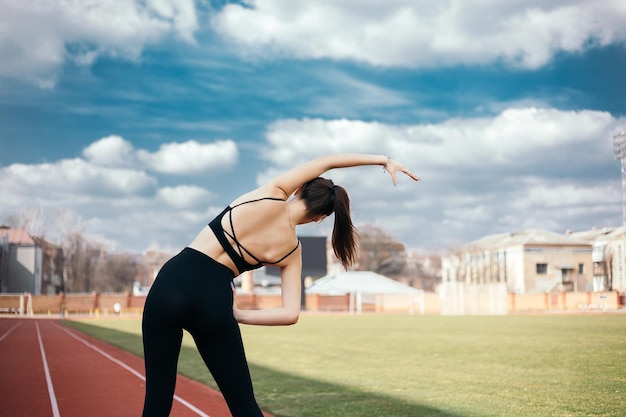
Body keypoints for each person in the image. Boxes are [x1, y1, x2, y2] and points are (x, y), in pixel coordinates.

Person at [141, 154, 419, 417]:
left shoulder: (271, 192)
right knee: (244, 405)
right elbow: (290, 314)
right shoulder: (291, 251)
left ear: (300, 190)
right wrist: (239, 315)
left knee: (157, 400)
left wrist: (383, 160)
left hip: (173, 281)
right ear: (320, 218)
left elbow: (329, 161)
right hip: (215, 301)